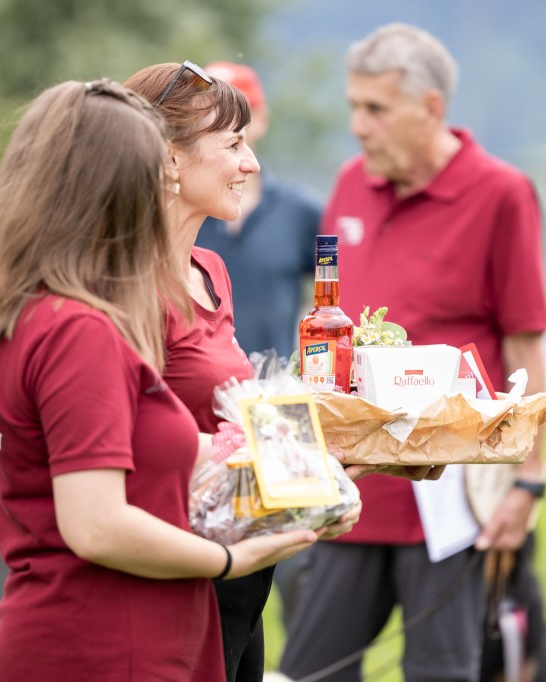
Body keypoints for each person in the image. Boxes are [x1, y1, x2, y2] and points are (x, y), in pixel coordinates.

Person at [0, 77, 320, 681]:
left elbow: (150, 453)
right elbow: (96, 525)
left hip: (117, 636)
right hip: (109, 644)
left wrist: (310, 464)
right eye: (153, 167)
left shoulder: (42, 311)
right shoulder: (80, 328)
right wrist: (230, 559)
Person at [279, 24, 546, 682]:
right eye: (354, 106)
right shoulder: (350, 183)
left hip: (451, 502)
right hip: (352, 491)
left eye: (376, 109)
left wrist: (528, 481)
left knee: (442, 673)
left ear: (431, 107)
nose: (358, 125)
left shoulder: (501, 193)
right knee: (310, 672)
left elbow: (525, 344)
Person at [121, 62, 361, 682]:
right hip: (175, 582)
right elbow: (133, 452)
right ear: (170, 159)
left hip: (241, 579)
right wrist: (290, 459)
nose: (251, 164)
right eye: (233, 145)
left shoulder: (209, 271)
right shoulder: (123, 289)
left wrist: (323, 457)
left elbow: (223, 424)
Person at [194, 61, 322, 359]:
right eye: (210, 118)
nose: (225, 127)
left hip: (275, 383)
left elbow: (343, 289)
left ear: (262, 119)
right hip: (197, 382)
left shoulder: (299, 212)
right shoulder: (181, 211)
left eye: (240, 116)